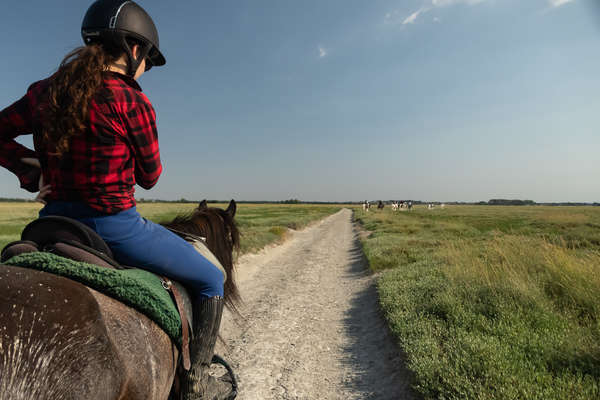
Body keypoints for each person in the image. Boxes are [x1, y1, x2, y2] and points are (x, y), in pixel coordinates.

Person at [0, 1, 232, 398]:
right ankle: (197, 382)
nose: (146, 71)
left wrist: (31, 171)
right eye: (148, 61)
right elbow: (150, 177)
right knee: (213, 278)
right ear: (134, 49)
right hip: (116, 227)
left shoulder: (44, 91)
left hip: (50, 221)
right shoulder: (132, 101)